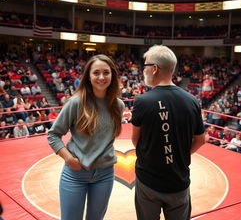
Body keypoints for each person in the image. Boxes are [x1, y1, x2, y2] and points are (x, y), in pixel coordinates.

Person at [131, 45, 205, 220]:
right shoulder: (192, 101)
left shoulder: (142, 101)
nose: (144, 69)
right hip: (178, 181)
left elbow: (136, 141)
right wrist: (180, 153)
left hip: (149, 181)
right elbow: (201, 139)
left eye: (146, 65)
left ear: (155, 68)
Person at [47, 54, 124, 220]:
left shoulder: (118, 105)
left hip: (105, 174)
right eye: (96, 73)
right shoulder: (76, 102)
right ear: (88, 77)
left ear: (113, 75)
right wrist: (69, 159)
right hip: (75, 174)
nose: (101, 77)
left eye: (106, 72)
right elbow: (53, 134)